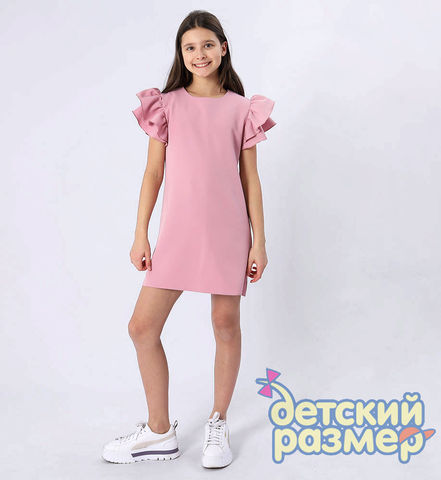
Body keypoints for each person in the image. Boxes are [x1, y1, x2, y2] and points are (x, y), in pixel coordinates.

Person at [102, 9, 276, 469]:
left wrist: (259, 241)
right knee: (142, 327)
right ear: (181, 54)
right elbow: (153, 173)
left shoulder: (242, 109)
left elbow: (251, 180)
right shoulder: (167, 105)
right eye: (190, 47)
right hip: (178, 232)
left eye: (207, 45)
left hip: (227, 231)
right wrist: (140, 233)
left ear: (223, 48)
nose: (200, 54)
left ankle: (218, 422)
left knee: (225, 323)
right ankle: (159, 431)